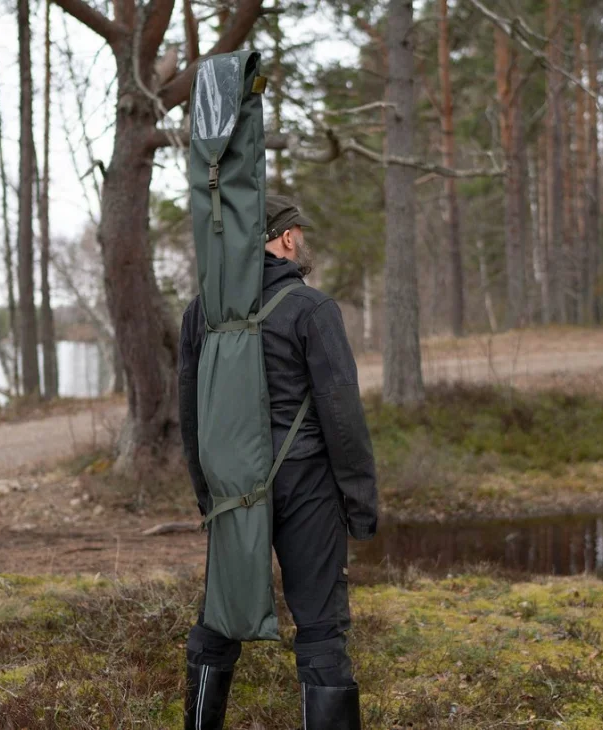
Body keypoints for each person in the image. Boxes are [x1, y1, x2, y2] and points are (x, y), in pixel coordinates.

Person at [178, 194, 379, 729]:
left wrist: (210, 494)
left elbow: (192, 414)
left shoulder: (204, 310)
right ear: (286, 238)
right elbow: (343, 418)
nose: (302, 241)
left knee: (218, 620)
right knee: (320, 627)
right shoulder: (312, 310)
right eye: (299, 233)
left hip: (233, 490)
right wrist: (360, 503)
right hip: (308, 486)